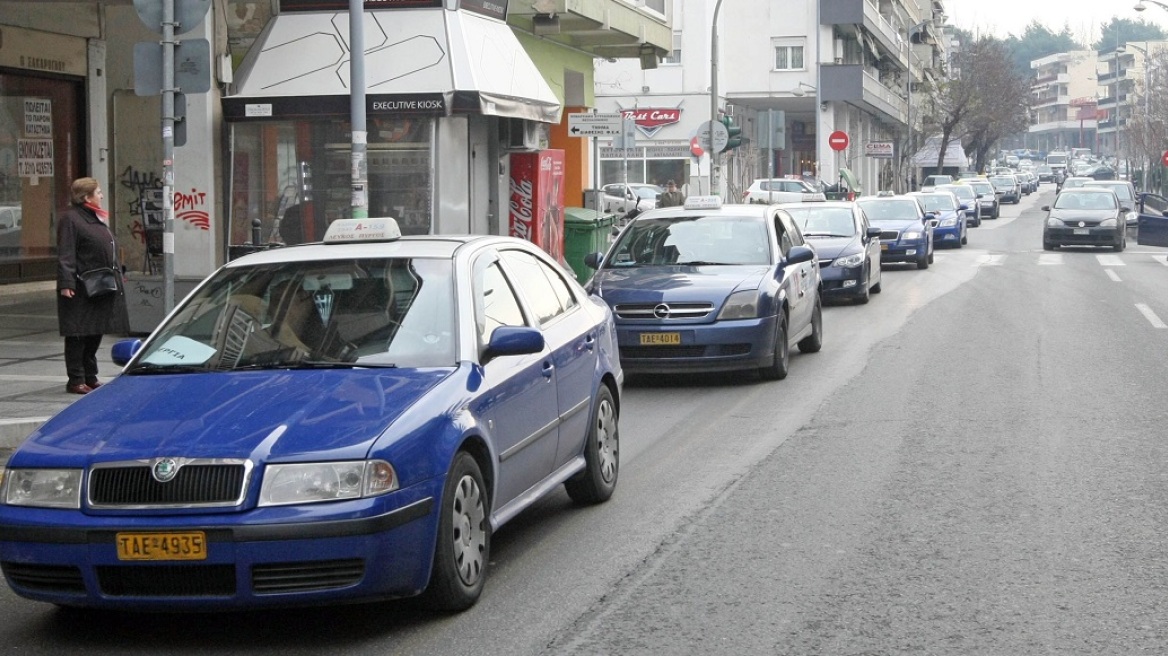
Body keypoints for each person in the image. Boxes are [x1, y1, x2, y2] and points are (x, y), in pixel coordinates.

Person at [56, 177, 130, 394]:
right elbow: (66, 253)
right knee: (78, 333)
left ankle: (90, 376)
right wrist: (66, 282)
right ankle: (76, 379)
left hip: (100, 285)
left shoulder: (94, 217)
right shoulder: (71, 219)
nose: (101, 195)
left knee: (94, 331)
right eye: (98, 192)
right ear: (86, 196)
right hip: (80, 287)